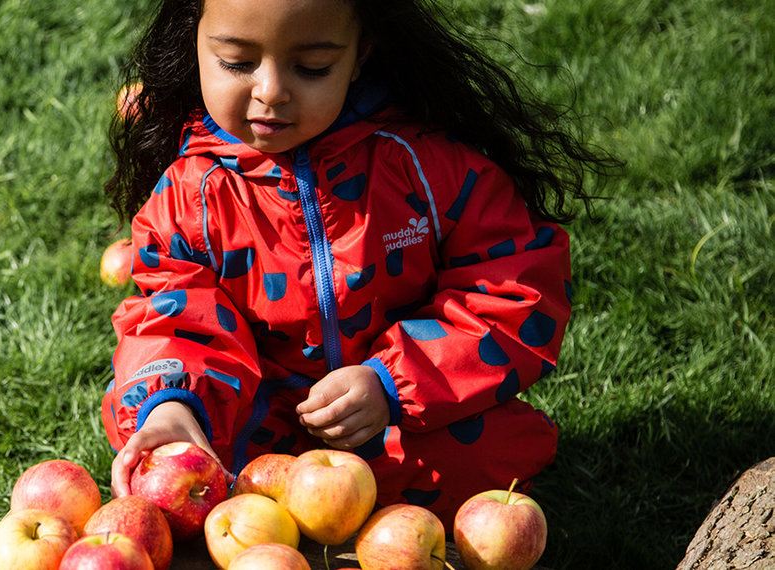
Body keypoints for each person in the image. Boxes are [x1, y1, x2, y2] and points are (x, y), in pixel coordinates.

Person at [101, 0, 617, 529]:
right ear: (195, 40)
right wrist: (174, 405)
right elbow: (174, 318)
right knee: (177, 459)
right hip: (260, 428)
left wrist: (391, 383)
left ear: (361, 52)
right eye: (237, 62)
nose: (271, 91)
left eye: (312, 68)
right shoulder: (192, 197)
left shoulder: (427, 168)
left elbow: (513, 289)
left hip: (398, 424)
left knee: (485, 459)